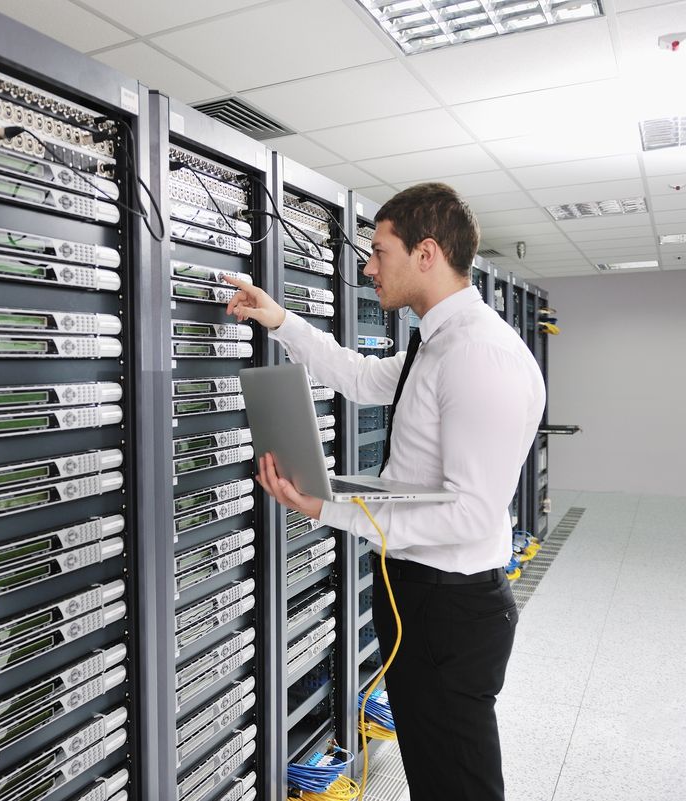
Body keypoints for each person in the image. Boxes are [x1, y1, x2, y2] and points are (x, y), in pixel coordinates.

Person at [222, 182, 545, 801]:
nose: (367, 267)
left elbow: (472, 514)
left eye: (378, 251)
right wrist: (281, 319)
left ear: (427, 253)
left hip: (450, 610)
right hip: (419, 598)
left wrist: (329, 509)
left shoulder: (480, 355)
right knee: (434, 776)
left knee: (459, 785)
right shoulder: (440, 343)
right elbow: (364, 378)